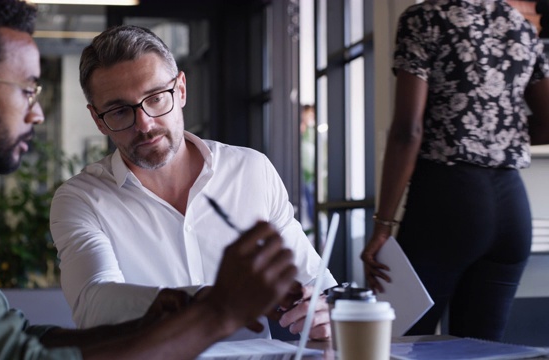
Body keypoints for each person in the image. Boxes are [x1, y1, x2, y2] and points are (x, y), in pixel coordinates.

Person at [0, 0, 301, 358]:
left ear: (180, 90)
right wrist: (217, 310)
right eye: (27, 90)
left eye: (155, 98)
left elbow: (17, 338)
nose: (37, 115)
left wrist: (151, 319)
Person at [49, 25, 337, 340]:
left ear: (181, 90)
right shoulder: (81, 199)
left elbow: (317, 283)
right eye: (119, 111)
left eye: (156, 98)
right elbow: (95, 303)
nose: (145, 124)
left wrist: (324, 308)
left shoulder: (252, 171)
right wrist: (210, 300)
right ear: (97, 119)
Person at [361, 0, 549, 342]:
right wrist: (498, 137)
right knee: (479, 349)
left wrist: (383, 225)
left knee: (393, 340)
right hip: (512, 208)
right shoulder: (520, 26)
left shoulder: (424, 18)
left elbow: (408, 131)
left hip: (447, 199)